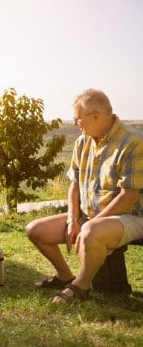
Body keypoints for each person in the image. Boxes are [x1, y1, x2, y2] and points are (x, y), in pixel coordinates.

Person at [25, 89, 143, 303]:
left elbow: (129, 197)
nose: (75, 123)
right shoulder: (82, 141)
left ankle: (81, 287)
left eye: (77, 118)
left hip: (133, 216)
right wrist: (72, 219)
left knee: (90, 230)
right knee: (35, 230)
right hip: (91, 216)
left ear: (95, 116)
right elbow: (74, 185)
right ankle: (64, 276)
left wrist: (91, 223)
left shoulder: (133, 142)